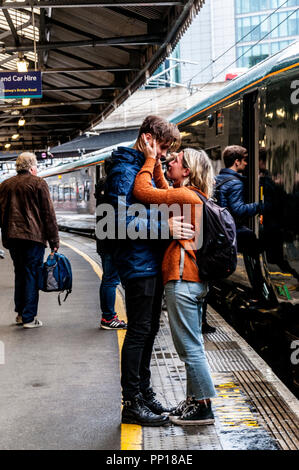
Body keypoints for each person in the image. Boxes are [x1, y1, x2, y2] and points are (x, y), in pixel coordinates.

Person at [104, 115, 193, 426]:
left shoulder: (142, 167)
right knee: (140, 331)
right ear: (147, 138)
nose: (166, 154)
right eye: (163, 146)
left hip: (150, 260)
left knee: (150, 329)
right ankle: (131, 402)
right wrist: (164, 226)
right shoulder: (123, 171)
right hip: (136, 261)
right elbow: (117, 223)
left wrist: (154, 164)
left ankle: (144, 392)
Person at [133, 142, 217, 426]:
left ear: (187, 170)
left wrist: (148, 159)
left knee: (189, 348)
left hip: (183, 280)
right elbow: (162, 190)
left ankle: (204, 406)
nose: (170, 162)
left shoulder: (184, 195)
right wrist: (158, 164)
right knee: (192, 345)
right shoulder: (193, 196)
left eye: (176, 160)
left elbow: (143, 192)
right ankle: (194, 402)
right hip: (194, 281)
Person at [0, 152, 59, 329]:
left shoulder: (5, 185)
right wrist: (54, 240)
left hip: (12, 237)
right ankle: (28, 318)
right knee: (31, 274)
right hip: (33, 238)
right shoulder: (39, 183)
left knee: (20, 273)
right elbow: (48, 214)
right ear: (32, 167)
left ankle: (20, 313)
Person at [215, 145, 266, 304]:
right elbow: (238, 210)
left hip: (220, 228)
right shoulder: (236, 183)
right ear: (236, 162)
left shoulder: (217, 179)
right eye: (244, 161)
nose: (246, 164)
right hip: (233, 228)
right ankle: (259, 289)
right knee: (254, 244)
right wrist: (260, 206)